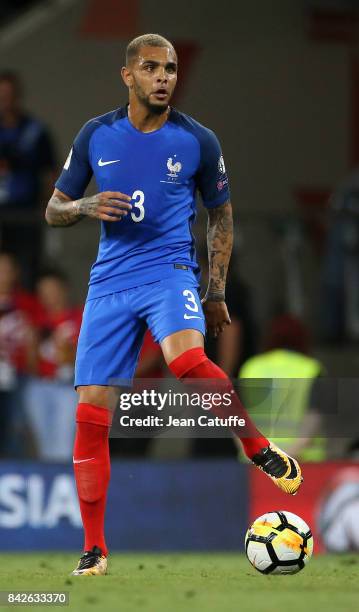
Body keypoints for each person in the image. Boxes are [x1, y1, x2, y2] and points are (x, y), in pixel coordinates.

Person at [45, 33, 302, 576]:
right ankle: (95, 550)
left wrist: (215, 290)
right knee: (91, 413)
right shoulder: (97, 133)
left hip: (168, 271)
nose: (164, 77)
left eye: (171, 69)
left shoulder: (198, 141)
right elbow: (54, 209)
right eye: (152, 67)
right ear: (128, 76)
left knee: (187, 361)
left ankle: (256, 447)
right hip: (110, 282)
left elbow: (222, 214)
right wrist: (88, 204)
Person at [237, 314, 326, 462]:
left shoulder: (251, 367)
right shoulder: (311, 369)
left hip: (255, 464)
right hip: (303, 463)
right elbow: (312, 420)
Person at [0, 71, 57, 288]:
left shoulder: (35, 131)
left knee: (27, 269)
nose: (5, 101)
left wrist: (49, 204)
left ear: (17, 96)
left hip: (26, 212)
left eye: (9, 95)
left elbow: (50, 172)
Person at [23, 269, 82, 461]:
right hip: (40, 385)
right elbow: (30, 363)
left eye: (53, 290)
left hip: (69, 386)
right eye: (44, 292)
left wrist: (69, 353)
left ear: (64, 289)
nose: (50, 297)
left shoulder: (81, 316)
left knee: (64, 444)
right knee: (45, 445)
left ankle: (66, 484)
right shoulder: (36, 320)